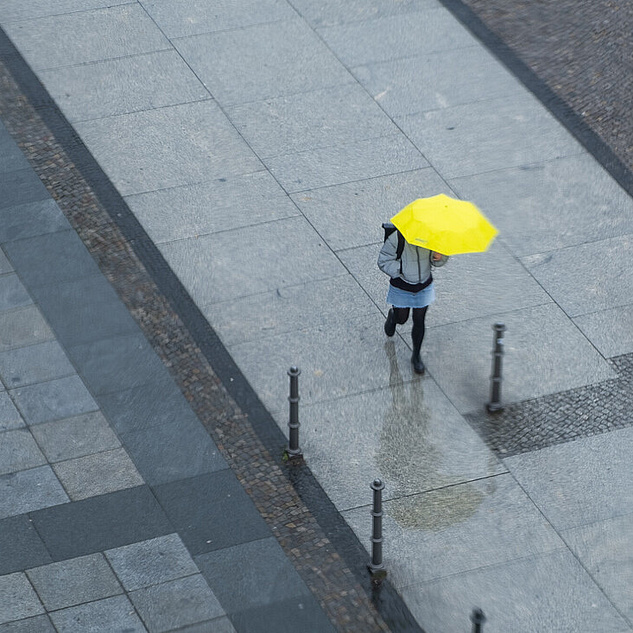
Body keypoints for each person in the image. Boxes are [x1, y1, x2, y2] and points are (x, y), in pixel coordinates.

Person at [378, 229, 446, 374]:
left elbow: (439, 262)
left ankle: (416, 355)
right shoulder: (398, 237)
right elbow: (383, 261)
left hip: (424, 286)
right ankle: (393, 317)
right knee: (402, 318)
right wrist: (402, 269)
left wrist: (438, 257)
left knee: (419, 320)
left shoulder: (433, 236)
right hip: (402, 285)